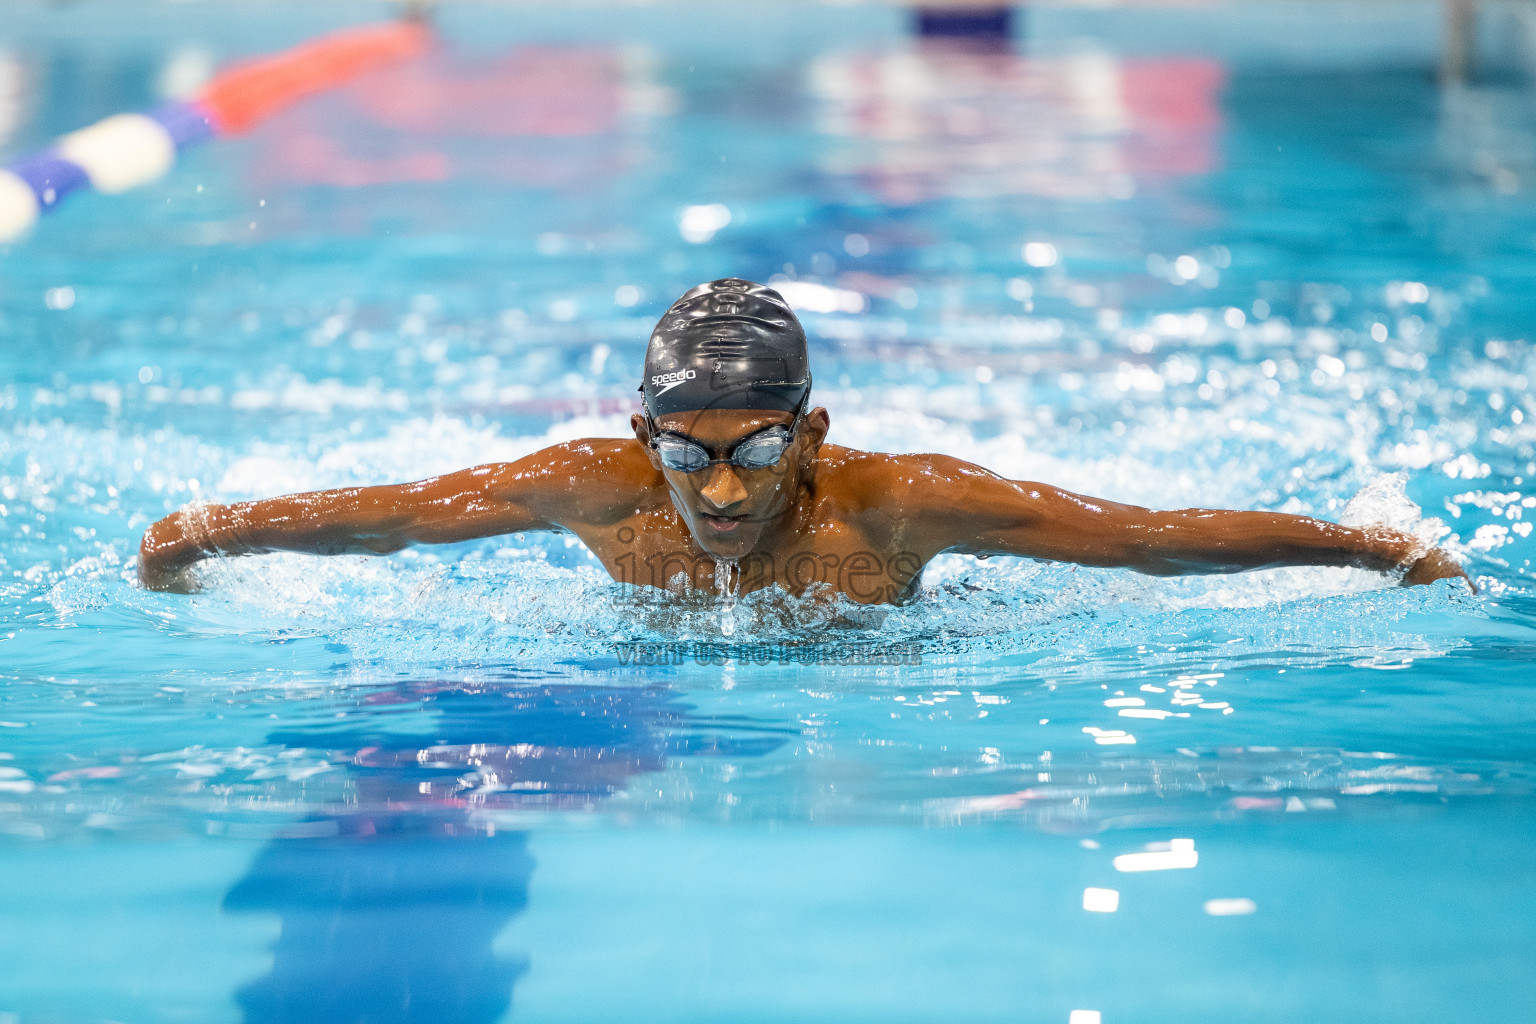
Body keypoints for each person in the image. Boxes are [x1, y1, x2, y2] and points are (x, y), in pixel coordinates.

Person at [138, 277, 1471, 603]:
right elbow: (399, 511)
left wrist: (1374, 552)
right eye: (689, 453)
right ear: (642, 435)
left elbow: (1138, 538)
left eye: (758, 454)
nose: (721, 491)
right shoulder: (598, 495)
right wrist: (202, 534)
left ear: (812, 432)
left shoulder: (895, 506)